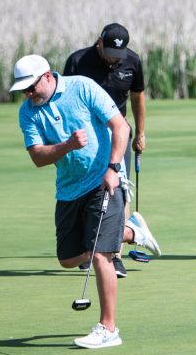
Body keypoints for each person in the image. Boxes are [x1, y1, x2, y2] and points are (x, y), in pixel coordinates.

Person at [11, 53, 130, 349]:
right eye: (23, 89)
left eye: (31, 86)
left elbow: (120, 126)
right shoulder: (28, 112)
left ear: (48, 76)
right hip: (68, 189)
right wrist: (68, 145)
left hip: (104, 179)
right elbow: (38, 157)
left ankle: (108, 328)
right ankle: (130, 232)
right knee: (66, 259)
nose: (28, 93)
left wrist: (114, 168)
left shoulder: (82, 87)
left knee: (101, 254)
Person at [63, 23, 160, 265]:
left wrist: (141, 133)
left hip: (118, 132)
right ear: (99, 43)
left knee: (118, 189)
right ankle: (95, 247)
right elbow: (64, 101)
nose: (114, 61)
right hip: (85, 137)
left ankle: (113, 255)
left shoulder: (132, 62)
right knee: (86, 189)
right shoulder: (77, 62)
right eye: (109, 54)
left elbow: (138, 97)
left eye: (119, 56)